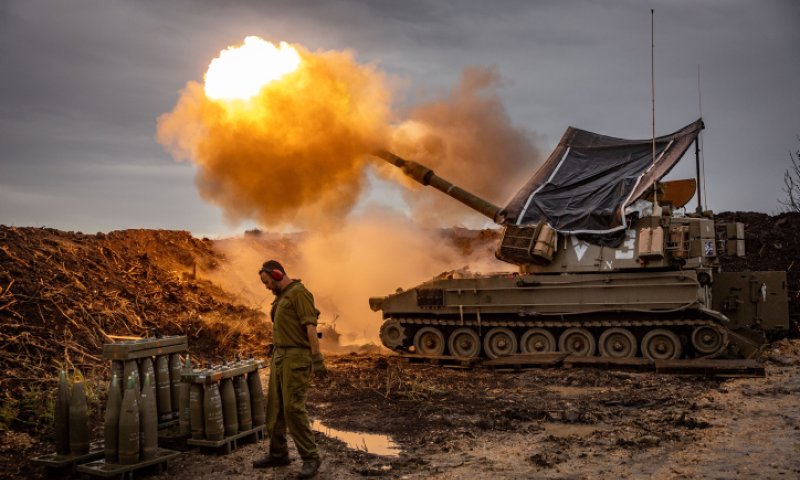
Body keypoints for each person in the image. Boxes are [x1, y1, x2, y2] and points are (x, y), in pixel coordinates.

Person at [252, 260, 327, 479]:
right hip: (280, 356)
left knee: (293, 408)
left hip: (296, 358)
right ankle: (278, 454)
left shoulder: (299, 293)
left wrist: (317, 358)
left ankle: (311, 458)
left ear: (277, 275)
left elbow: (310, 327)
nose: (267, 287)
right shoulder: (282, 296)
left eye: (267, 282)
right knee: (274, 408)